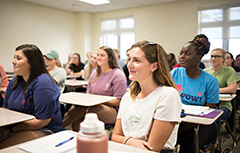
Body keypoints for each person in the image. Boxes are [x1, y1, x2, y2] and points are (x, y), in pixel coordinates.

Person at [111, 41, 182, 153]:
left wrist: (124, 140)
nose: (129, 65)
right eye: (129, 59)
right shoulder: (128, 96)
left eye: (137, 60)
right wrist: (131, 141)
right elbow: (115, 136)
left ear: (154, 66)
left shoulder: (168, 95)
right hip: (128, 148)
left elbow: (152, 149)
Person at [0, 44, 63, 149]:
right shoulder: (14, 82)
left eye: (18, 58)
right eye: (14, 57)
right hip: (16, 127)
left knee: (3, 148)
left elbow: (42, 121)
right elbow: (6, 110)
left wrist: (11, 130)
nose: (13, 61)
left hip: (44, 129)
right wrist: (3, 128)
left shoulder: (43, 83)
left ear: (31, 63)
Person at [170, 34, 220, 153]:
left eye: (187, 54)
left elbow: (208, 114)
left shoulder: (211, 81)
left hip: (198, 124)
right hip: (177, 120)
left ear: (198, 57)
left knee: (190, 142)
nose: (182, 57)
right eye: (181, 53)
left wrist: (182, 128)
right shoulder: (175, 73)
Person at [63, 46, 127, 132]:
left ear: (110, 58)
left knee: (84, 110)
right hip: (93, 106)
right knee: (77, 121)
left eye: (102, 55)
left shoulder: (118, 75)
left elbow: (118, 101)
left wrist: (98, 101)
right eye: (98, 55)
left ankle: (56, 128)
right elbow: (88, 93)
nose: (99, 58)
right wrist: (94, 101)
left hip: (113, 111)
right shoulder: (94, 73)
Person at [204, 48, 240, 120]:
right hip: (206, 104)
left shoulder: (229, 70)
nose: (213, 59)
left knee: (209, 118)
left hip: (223, 105)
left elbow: (232, 89)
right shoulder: (205, 71)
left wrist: (213, 91)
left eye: (216, 56)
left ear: (223, 59)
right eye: (212, 56)